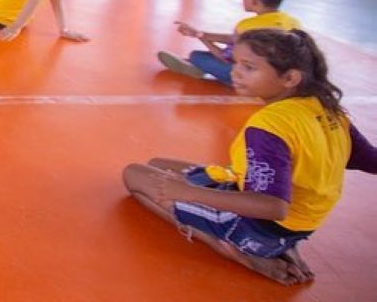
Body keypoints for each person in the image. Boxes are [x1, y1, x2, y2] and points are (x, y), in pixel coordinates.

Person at [122, 29, 376, 285]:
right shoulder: (329, 110)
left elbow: (273, 206)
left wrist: (189, 192)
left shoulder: (270, 125)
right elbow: (371, 160)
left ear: (290, 78)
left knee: (133, 175)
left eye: (249, 67)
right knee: (157, 165)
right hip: (298, 225)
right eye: (236, 63)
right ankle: (279, 245)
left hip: (259, 226)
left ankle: (233, 248)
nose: (235, 72)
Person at [158, 0, 300, 86]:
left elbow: (225, 57)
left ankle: (196, 65)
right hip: (283, 80)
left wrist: (200, 37)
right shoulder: (292, 22)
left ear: (255, 1)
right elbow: (234, 39)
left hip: (255, 81)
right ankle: (194, 66)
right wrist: (201, 33)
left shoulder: (247, 26)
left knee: (197, 56)